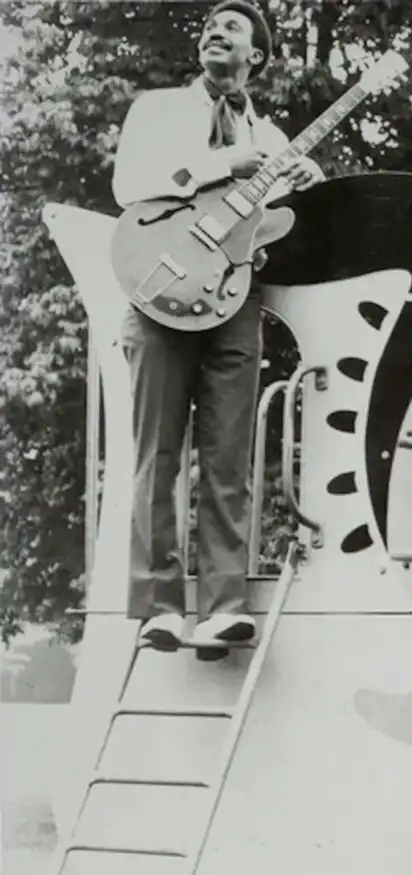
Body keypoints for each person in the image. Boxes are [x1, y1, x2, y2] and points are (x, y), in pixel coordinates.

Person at [111, 1, 324, 657]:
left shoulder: (273, 135)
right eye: (209, 24)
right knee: (157, 454)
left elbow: (282, 225)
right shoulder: (158, 110)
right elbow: (129, 186)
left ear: (255, 56)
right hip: (160, 288)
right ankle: (159, 608)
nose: (213, 31)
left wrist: (306, 184)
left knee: (230, 456)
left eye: (231, 27)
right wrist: (227, 163)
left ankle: (224, 609)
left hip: (235, 296)